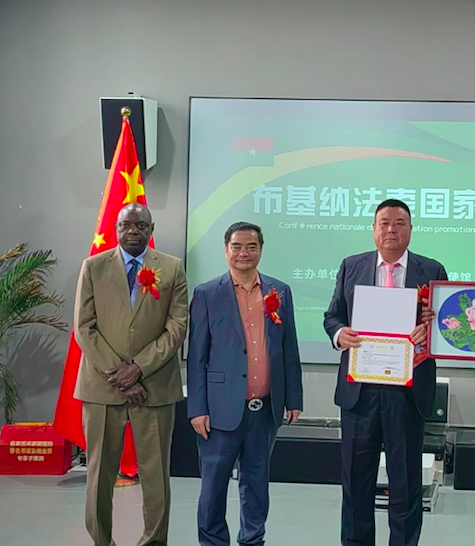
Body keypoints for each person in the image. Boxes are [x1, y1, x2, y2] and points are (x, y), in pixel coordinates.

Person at [324, 199, 447, 546]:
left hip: (407, 392)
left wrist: (429, 331)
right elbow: (333, 316)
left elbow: (445, 324)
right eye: (384, 223)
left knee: (405, 483)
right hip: (359, 391)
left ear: (410, 229)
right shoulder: (352, 266)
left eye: (399, 223)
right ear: (374, 228)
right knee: (356, 482)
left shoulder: (432, 270)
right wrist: (339, 334)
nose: (391, 229)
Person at [73, 203, 188, 546]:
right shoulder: (94, 267)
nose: (133, 231)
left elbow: (177, 327)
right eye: (126, 225)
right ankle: (101, 541)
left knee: (156, 475)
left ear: (151, 230)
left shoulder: (172, 268)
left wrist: (139, 368)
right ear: (116, 229)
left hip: (155, 387)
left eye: (141, 225)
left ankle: (153, 541)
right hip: (101, 388)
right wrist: (119, 374)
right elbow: (84, 327)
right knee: (99, 474)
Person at [187, 221, 304, 546]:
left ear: (261, 250)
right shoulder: (207, 293)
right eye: (237, 246)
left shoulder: (279, 292)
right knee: (213, 487)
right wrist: (197, 408)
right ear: (226, 251)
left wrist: (293, 398)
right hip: (219, 409)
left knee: (256, 484)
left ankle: (253, 540)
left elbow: (289, 348)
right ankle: (213, 541)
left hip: (264, 409)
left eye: (251, 246)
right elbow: (196, 356)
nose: (244, 253)